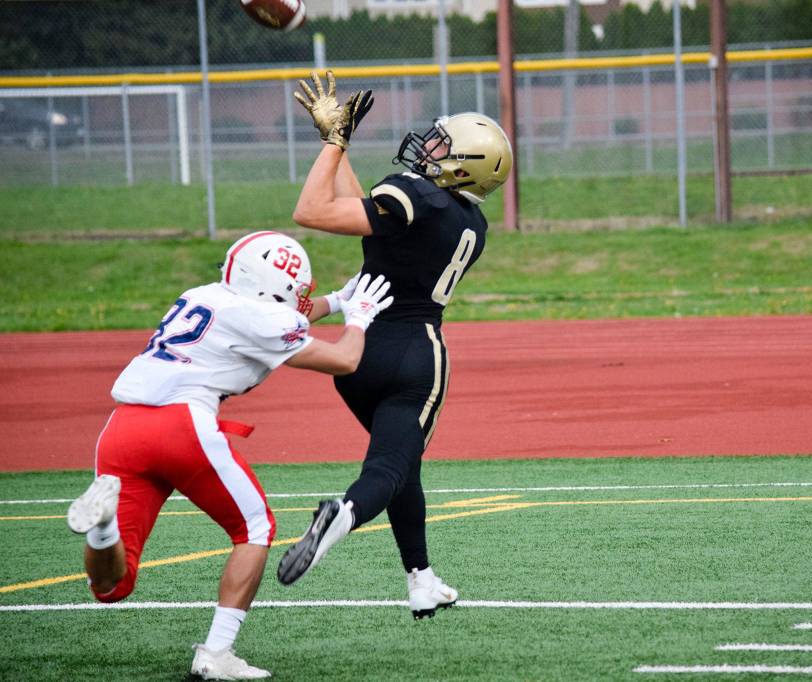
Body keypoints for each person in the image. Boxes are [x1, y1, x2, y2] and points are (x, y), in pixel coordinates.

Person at [66, 231, 393, 680]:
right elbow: (343, 359)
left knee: (113, 586)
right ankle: (217, 653)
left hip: (121, 429)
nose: (301, 300)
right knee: (255, 527)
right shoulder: (263, 317)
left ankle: (102, 528)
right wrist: (358, 318)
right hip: (183, 425)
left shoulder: (201, 295)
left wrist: (337, 300)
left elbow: (279, 317)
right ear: (274, 288)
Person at [275, 72, 513, 621]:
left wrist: (334, 144)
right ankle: (345, 514)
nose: (429, 146)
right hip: (414, 358)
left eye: (443, 144)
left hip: (358, 354)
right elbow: (342, 210)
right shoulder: (467, 222)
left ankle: (422, 580)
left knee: (403, 466)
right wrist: (337, 144)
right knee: (391, 467)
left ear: (464, 165)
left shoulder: (418, 198)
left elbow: (316, 210)